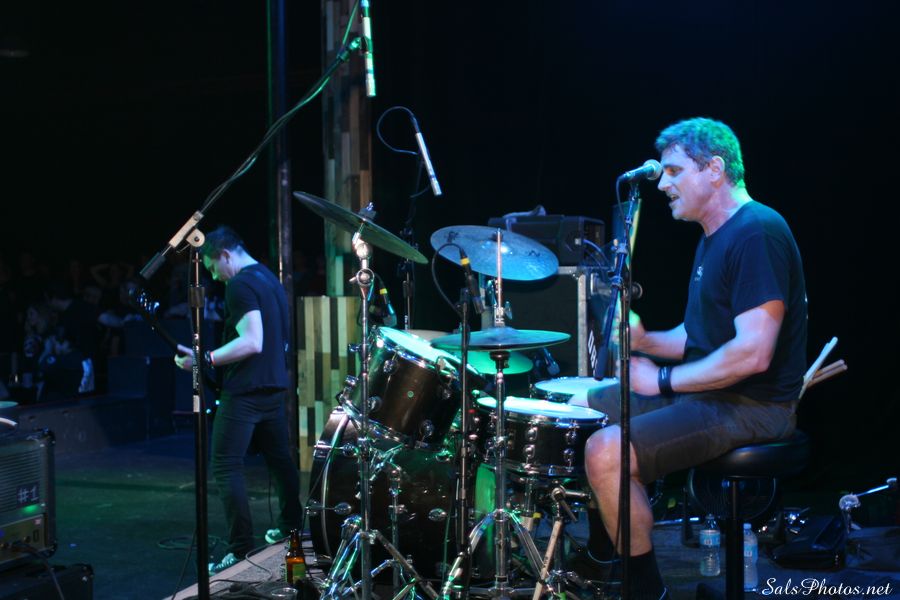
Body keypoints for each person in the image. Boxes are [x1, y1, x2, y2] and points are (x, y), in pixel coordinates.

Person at [573, 117, 808, 600]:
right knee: (585, 407)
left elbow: (753, 352)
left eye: (675, 171)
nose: (663, 184)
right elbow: (697, 336)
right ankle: (605, 556)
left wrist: (661, 380)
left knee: (605, 451)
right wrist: (645, 339)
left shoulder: (757, 233)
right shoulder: (714, 236)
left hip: (752, 406)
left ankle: (645, 591)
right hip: (714, 396)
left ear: (714, 170)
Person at [174, 226, 301, 575]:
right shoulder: (270, 279)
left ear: (225, 255)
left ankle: (240, 548)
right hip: (273, 387)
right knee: (280, 461)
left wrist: (204, 359)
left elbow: (252, 341)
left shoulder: (240, 284)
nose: (214, 276)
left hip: (245, 391)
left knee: (226, 465)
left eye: (213, 267)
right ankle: (292, 527)